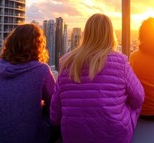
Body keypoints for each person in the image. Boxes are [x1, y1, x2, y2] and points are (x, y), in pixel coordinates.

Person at [50, 13, 144, 143]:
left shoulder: (66, 62)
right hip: (115, 136)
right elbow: (139, 98)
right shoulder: (120, 62)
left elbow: (55, 113)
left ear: (86, 33)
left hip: (73, 136)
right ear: (110, 34)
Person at [0, 24, 56, 143]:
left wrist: (0, 125)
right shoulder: (41, 70)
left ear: (10, 43)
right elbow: (55, 109)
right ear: (38, 46)